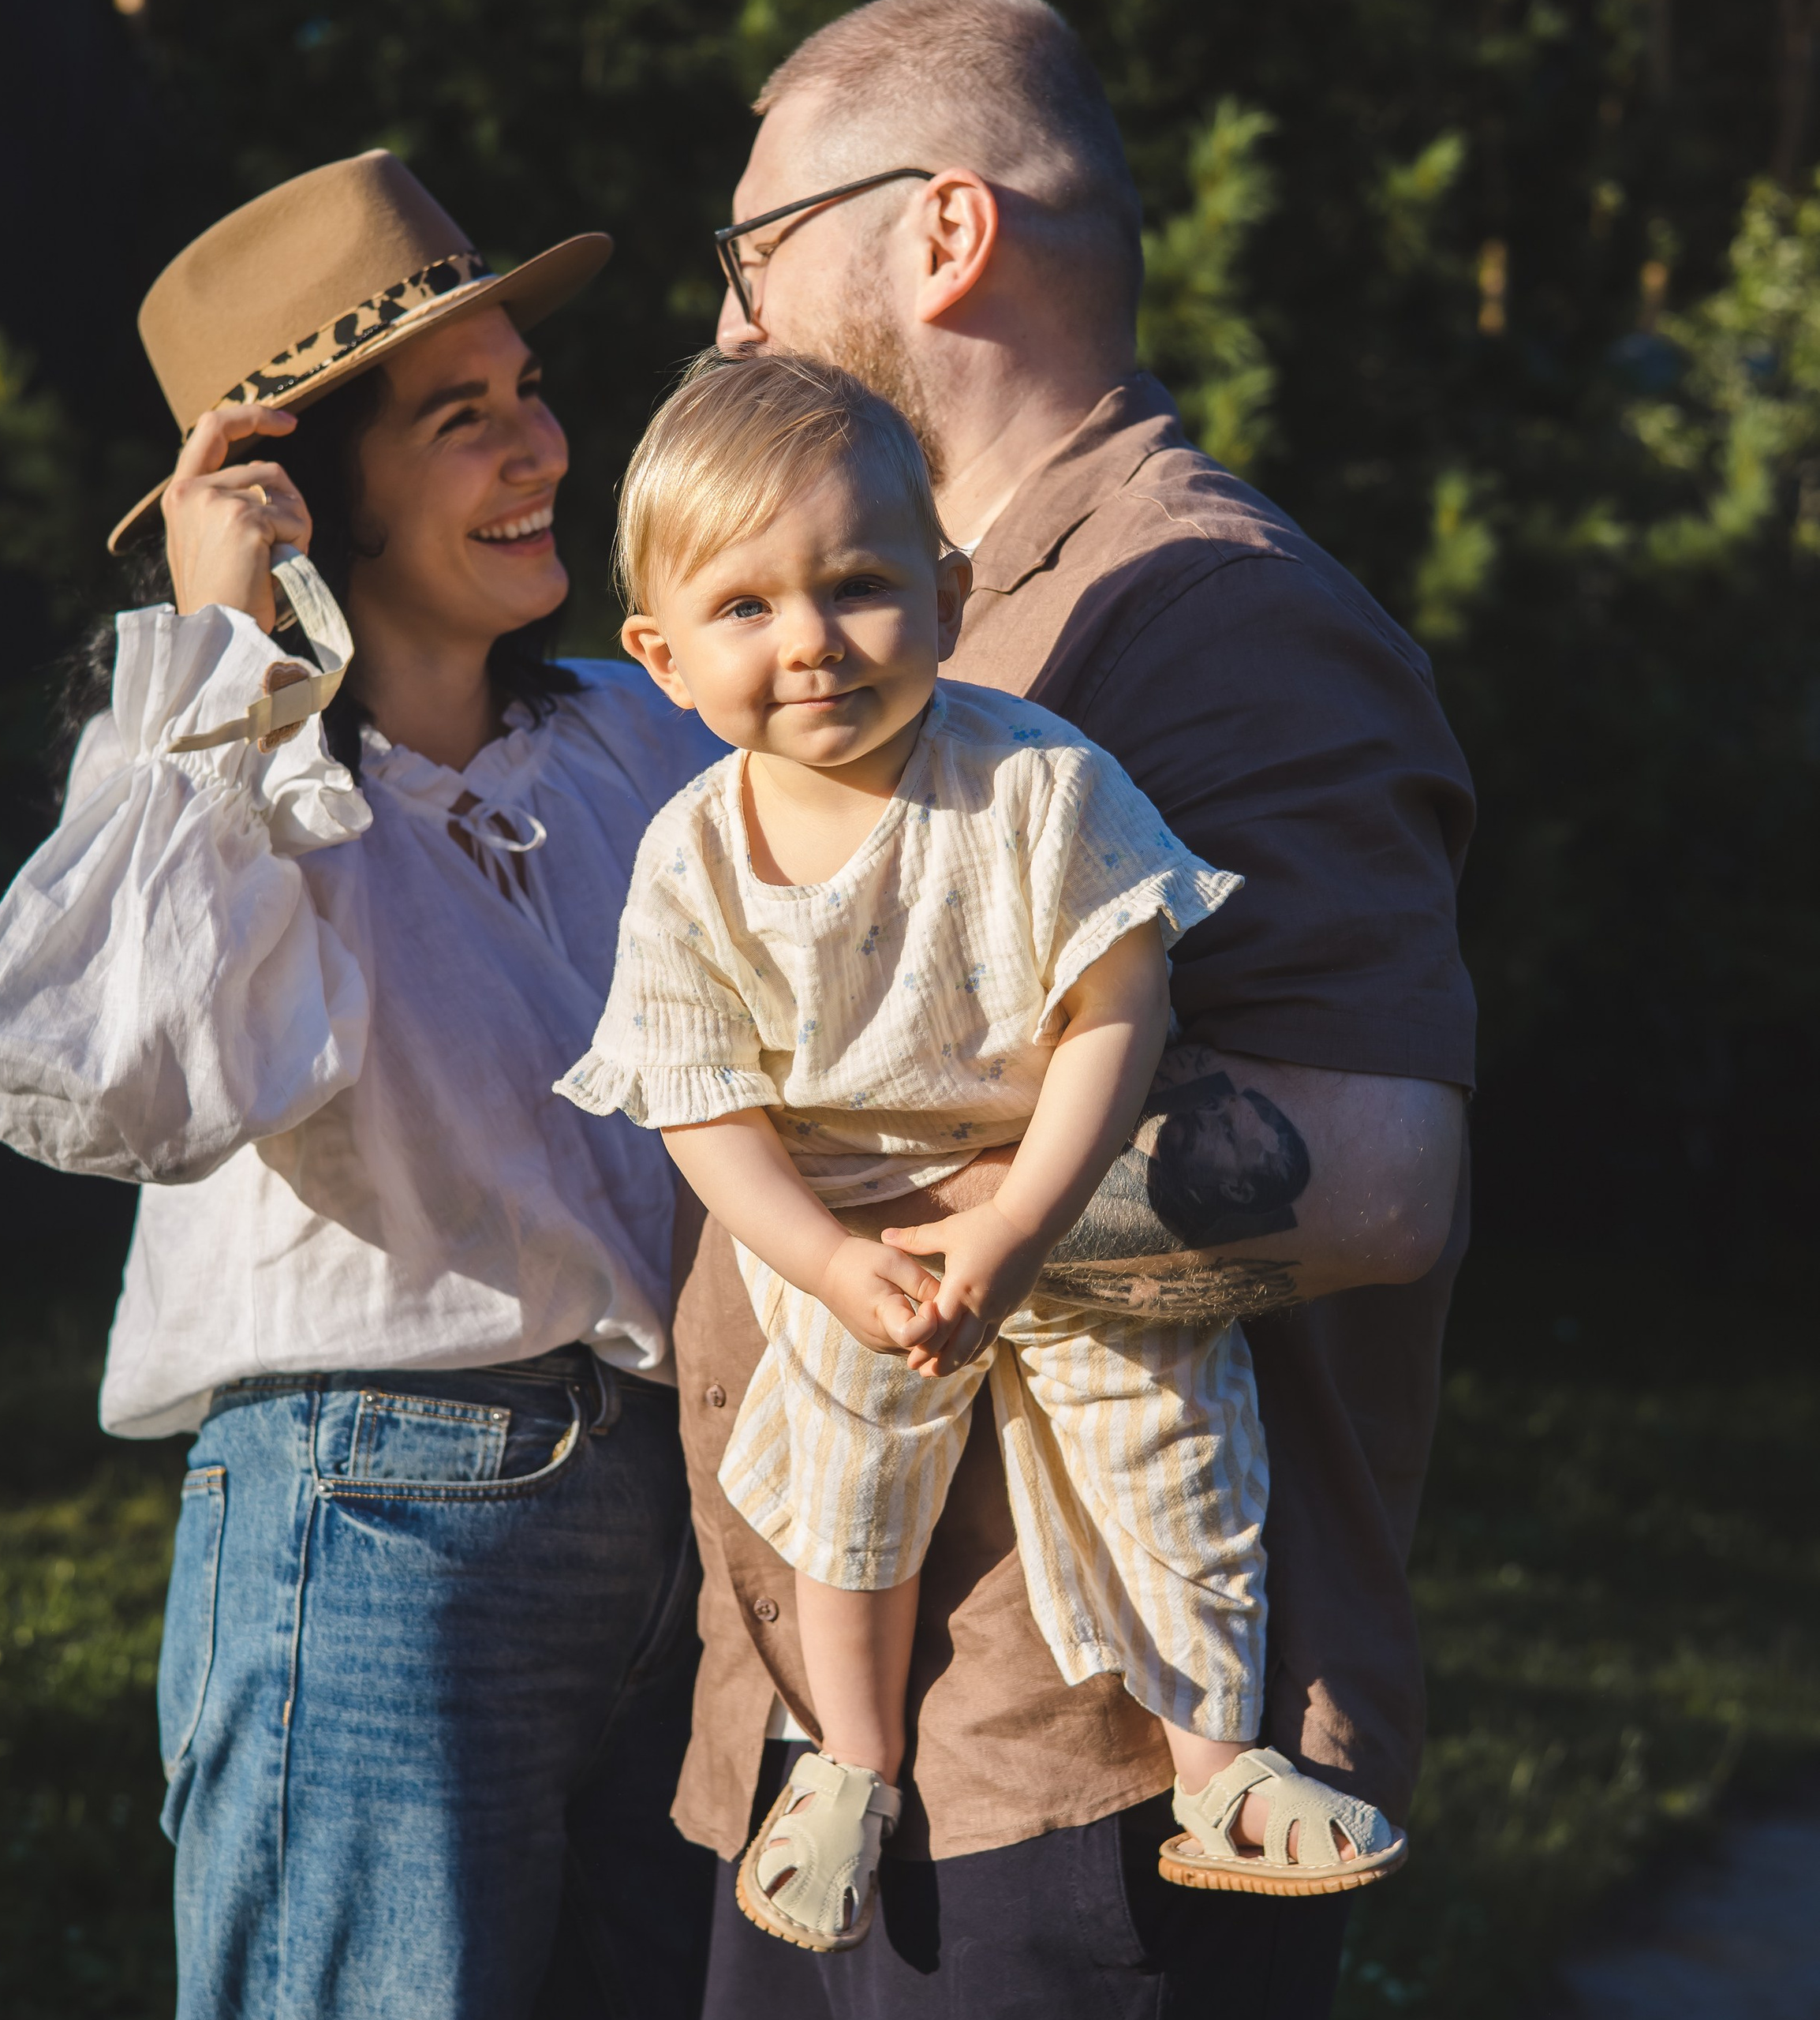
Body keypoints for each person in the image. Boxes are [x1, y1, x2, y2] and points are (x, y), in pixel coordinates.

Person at [673, 2, 1477, 2013]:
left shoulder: (1207, 615)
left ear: (941, 234)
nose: (728, 316)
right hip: (868, 1746)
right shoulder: (920, 606)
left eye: (751, 247)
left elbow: (1372, 1172)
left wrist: (901, 1241)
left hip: (1074, 1782)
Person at [0, 151, 718, 2019]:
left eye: (530, 394)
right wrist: (220, 651)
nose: (540, 451)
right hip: (382, 1522)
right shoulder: (228, 786)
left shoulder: (631, 740)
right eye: (462, 419)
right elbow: (95, 1081)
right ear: (304, 488)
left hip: (681, 1519)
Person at [561, 349, 1404, 1952]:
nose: (808, 638)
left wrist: (1026, 1216)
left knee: (1170, 1441)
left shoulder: (1026, 778)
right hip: (847, 1226)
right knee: (845, 1471)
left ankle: (1219, 1766)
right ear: (661, 658)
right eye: (744, 609)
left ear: (946, 594)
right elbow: (691, 1092)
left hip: (1056, 1190)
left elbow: (1116, 1001)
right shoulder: (689, 853)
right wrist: (817, 1255)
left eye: (859, 584)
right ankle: (850, 1760)